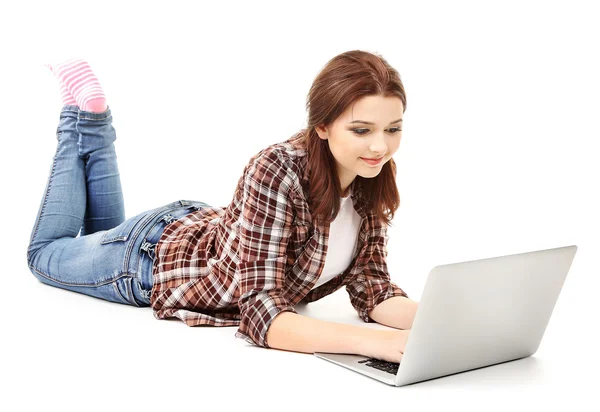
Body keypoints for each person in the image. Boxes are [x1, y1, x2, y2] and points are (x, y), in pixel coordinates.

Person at [26, 50, 419, 363]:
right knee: (44, 252)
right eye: (361, 130)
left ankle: (92, 114)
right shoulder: (277, 169)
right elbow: (263, 316)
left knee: (96, 234)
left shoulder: (370, 173)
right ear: (322, 126)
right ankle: (78, 116)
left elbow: (374, 290)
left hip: (195, 228)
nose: (380, 146)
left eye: (393, 129)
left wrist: (448, 323)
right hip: (148, 260)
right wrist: (377, 344)